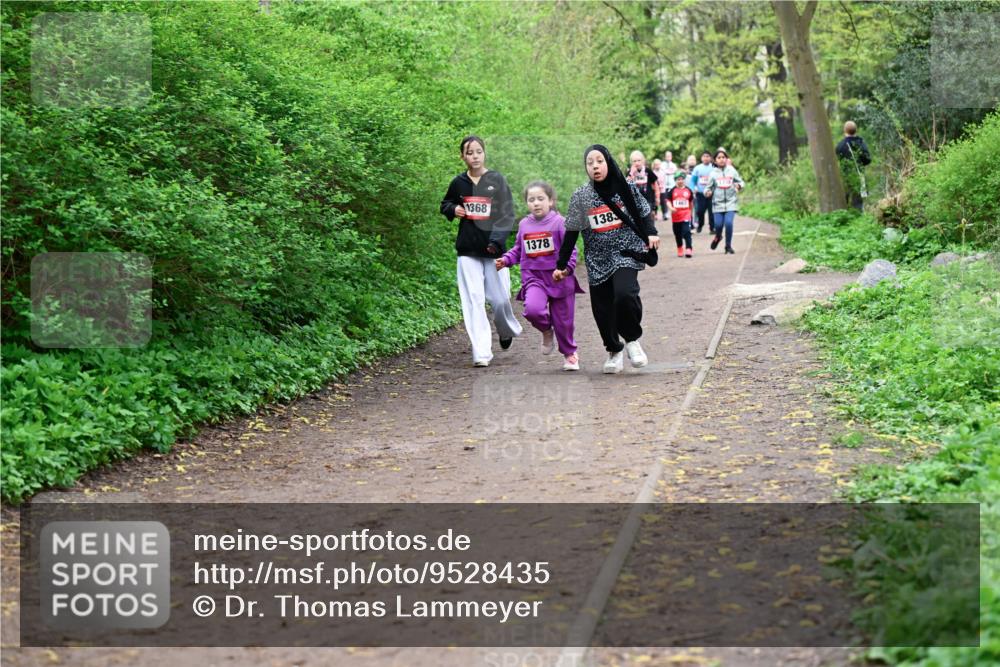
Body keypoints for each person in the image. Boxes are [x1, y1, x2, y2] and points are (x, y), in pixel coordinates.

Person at [553, 145, 660, 374]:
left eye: (599, 161)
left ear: (608, 162)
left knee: (625, 294)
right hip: (597, 258)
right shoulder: (581, 196)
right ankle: (614, 350)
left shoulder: (626, 187)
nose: (595, 166)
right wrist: (561, 265)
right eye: (590, 163)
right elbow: (571, 231)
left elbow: (644, 212)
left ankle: (632, 340)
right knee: (602, 309)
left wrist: (651, 233)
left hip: (626, 251)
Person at [440, 135, 522, 367]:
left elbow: (507, 214)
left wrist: (496, 241)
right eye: (470, 153)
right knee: (474, 299)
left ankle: (505, 330)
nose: (475, 156)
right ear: (462, 157)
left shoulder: (497, 180)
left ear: (484, 153)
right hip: (468, 250)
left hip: (494, 250)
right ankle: (481, 352)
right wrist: (453, 209)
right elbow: (445, 204)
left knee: (500, 300)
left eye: (478, 151)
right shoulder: (458, 183)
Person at [496, 181, 584, 371]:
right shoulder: (524, 224)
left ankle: (569, 353)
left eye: (540, 199)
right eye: (531, 200)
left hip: (559, 279)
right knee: (533, 310)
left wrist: (565, 269)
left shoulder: (559, 222)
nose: (536, 203)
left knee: (564, 322)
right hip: (534, 278)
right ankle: (546, 330)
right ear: (527, 203)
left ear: (551, 201)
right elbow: (518, 249)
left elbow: (571, 250)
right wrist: (506, 259)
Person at [705, 148, 745, 255]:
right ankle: (718, 237)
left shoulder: (732, 171)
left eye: (723, 157)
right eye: (719, 158)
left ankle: (728, 246)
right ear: (715, 160)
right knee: (718, 225)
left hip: (731, 202)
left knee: (728, 223)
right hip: (717, 204)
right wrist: (707, 192)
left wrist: (739, 185)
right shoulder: (712, 173)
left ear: (726, 159)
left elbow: (741, 182)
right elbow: (707, 188)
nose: (721, 159)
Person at [835, 120, 872, 211]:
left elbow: (837, 160)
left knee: (845, 202)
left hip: (845, 177)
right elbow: (868, 160)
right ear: (856, 130)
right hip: (859, 175)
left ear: (844, 130)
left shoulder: (840, 145)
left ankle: (845, 217)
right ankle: (859, 217)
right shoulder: (861, 143)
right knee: (858, 203)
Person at [665, 171, 694, 258]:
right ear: (675, 180)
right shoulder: (672, 190)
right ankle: (680, 247)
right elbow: (668, 201)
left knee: (686, 231)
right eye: (678, 179)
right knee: (677, 233)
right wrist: (671, 208)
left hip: (686, 214)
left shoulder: (688, 190)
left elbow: (691, 202)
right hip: (676, 216)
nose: (680, 181)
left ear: (684, 180)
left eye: (681, 179)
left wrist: (690, 213)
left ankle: (689, 248)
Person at [628, 150, 660, 223]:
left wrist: (657, 197)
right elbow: (627, 184)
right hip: (636, 201)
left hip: (648, 199)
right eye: (634, 161)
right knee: (639, 221)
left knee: (649, 221)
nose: (637, 163)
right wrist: (631, 173)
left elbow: (655, 184)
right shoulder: (630, 172)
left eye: (639, 160)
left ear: (643, 161)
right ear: (631, 162)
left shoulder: (647, 171)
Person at [690, 151, 714, 234]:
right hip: (700, 194)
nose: (706, 158)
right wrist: (693, 188)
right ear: (701, 158)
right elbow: (692, 181)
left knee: (712, 212)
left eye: (707, 156)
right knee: (700, 211)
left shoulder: (714, 167)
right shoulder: (697, 168)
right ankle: (700, 225)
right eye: (704, 156)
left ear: (710, 158)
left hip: (711, 194)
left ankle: (712, 228)